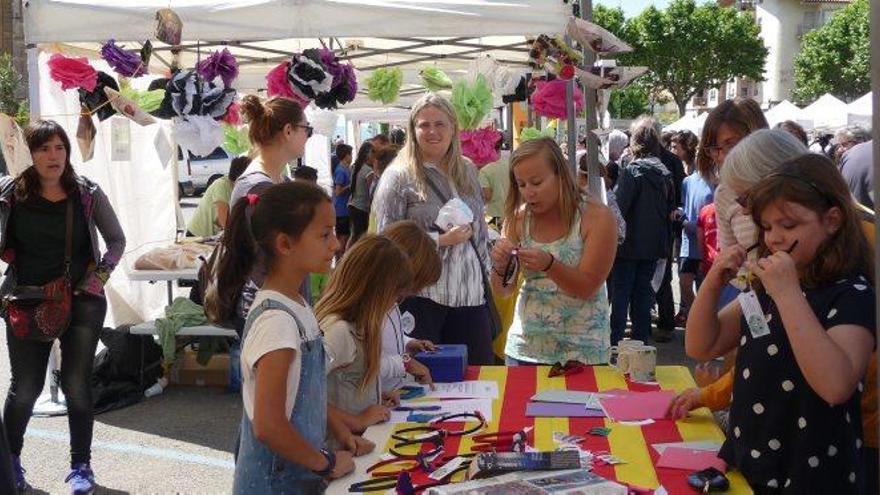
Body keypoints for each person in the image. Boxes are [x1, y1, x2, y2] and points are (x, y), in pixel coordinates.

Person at [685, 153, 875, 491]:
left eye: (789, 226)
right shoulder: (767, 287)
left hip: (812, 472)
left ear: (832, 221)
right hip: (753, 461)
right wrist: (713, 282)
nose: (774, 238)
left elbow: (836, 384)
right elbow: (702, 344)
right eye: (768, 227)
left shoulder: (852, 294)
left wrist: (789, 296)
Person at [0, 120, 125, 493]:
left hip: (83, 303)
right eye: (43, 148)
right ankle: (9, 467)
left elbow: (116, 240)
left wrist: (97, 278)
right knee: (25, 387)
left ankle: (81, 467)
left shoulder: (86, 192)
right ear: (29, 154)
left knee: (76, 384)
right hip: (25, 299)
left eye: (59, 147)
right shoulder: (10, 194)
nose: (53, 156)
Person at [231, 182, 354, 493]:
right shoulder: (277, 323)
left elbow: (298, 393)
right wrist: (324, 463)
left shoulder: (297, 304)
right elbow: (269, 426)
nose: (336, 245)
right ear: (285, 244)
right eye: (324, 235)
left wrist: (335, 423)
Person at [372, 94, 494, 364]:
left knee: (477, 375)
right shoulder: (398, 176)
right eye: (424, 125)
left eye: (440, 124)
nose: (432, 131)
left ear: (453, 128)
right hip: (422, 295)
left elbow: (480, 231)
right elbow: (385, 241)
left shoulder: (468, 170)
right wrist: (438, 240)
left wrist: (488, 276)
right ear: (412, 130)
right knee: (425, 381)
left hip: (470, 295)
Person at [491, 138, 617, 365]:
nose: (529, 192)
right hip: (524, 350)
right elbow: (503, 291)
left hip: (582, 353)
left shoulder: (596, 217)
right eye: (521, 184)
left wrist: (549, 264)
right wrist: (500, 266)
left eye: (536, 182)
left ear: (560, 175)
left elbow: (587, 287)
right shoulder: (518, 218)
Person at [206, 95, 312, 332]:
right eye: (306, 129)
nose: (307, 136)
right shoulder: (259, 186)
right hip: (267, 310)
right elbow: (281, 253)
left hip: (275, 305)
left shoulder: (275, 180)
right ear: (288, 130)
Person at [318, 235, 423, 446]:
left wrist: (372, 396)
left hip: (356, 444)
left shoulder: (360, 328)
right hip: (338, 450)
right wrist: (356, 420)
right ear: (375, 291)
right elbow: (303, 397)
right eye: (395, 296)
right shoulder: (338, 332)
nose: (394, 304)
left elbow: (346, 383)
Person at [609, 118, 674, 345]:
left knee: (621, 296)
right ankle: (641, 343)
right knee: (643, 296)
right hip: (653, 245)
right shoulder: (664, 173)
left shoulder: (633, 172)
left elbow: (618, 207)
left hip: (628, 245)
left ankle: (614, 343)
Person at [676, 132, 713, 327]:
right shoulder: (688, 181)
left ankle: (703, 322)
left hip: (706, 245)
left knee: (704, 287)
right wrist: (679, 213)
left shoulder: (716, 183)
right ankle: (697, 317)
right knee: (684, 283)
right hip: (687, 244)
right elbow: (683, 204)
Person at [185, 156, 251, 238]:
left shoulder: (240, 188)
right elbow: (222, 217)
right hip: (198, 236)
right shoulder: (222, 184)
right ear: (240, 175)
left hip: (211, 237)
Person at [346, 141, 375, 247]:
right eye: (374, 153)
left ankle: (346, 257)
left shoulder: (355, 167)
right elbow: (371, 193)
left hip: (352, 205)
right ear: (368, 155)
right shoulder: (368, 171)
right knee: (360, 236)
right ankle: (352, 258)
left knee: (354, 235)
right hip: (361, 208)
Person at [478, 144, 510, 228]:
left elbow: (487, 195)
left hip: (494, 216)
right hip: (512, 214)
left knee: (495, 239)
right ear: (499, 151)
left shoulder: (484, 171)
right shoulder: (510, 165)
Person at [840, 140, 874, 209]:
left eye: (844, 144)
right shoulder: (848, 155)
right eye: (840, 145)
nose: (840, 149)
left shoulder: (848, 155)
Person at [332, 144, 353, 254]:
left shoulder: (346, 169)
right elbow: (338, 191)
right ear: (346, 156)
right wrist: (349, 186)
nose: (352, 157)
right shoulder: (341, 170)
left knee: (345, 236)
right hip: (341, 210)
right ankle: (339, 262)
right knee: (342, 238)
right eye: (351, 154)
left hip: (344, 208)